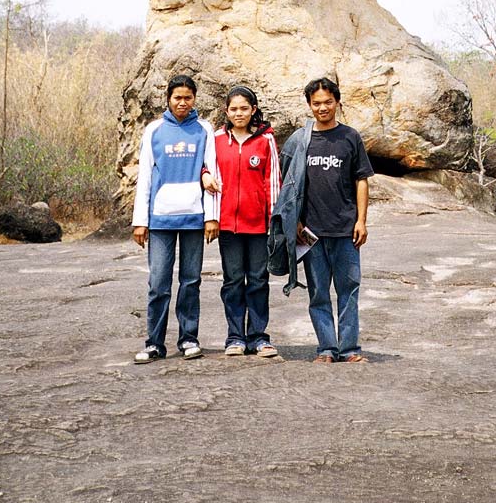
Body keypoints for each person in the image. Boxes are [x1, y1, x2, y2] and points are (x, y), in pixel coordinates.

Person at [276, 77, 374, 363]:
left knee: (348, 291)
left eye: (328, 102)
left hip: (346, 229)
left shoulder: (350, 137)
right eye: (316, 103)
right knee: (318, 294)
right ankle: (327, 349)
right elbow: (287, 185)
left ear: (338, 102)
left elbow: (362, 181)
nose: (322, 108)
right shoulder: (299, 141)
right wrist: (293, 221)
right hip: (311, 232)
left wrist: (362, 220)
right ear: (309, 105)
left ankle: (350, 348)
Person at [131, 74, 219, 362]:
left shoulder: (204, 129)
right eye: (177, 97)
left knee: (191, 281)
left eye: (188, 97)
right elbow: (144, 177)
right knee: (158, 283)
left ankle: (189, 338)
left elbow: (210, 172)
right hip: (159, 221)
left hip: (194, 218)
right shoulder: (154, 130)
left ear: (195, 99)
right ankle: (154, 343)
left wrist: (211, 217)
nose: (183, 102)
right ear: (168, 98)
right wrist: (140, 221)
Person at [206, 85, 281, 358]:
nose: (239, 113)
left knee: (259, 280)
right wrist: (204, 175)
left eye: (244, 108)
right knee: (233, 280)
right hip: (228, 225)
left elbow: (273, 181)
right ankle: (235, 337)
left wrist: (275, 221)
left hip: (259, 224)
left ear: (254, 110)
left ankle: (259, 337)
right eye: (234, 109)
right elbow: (206, 167)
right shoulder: (215, 140)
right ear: (226, 111)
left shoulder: (265, 140)